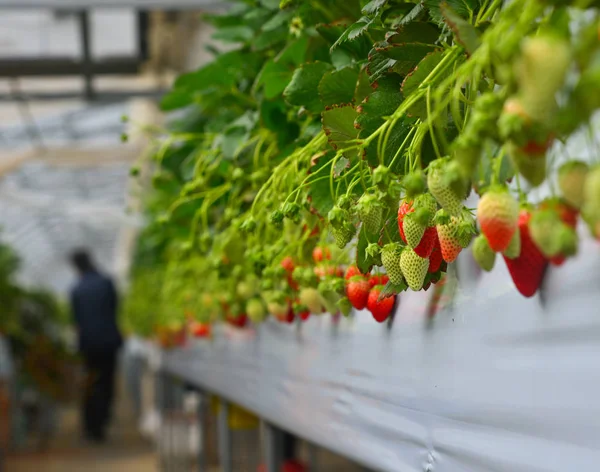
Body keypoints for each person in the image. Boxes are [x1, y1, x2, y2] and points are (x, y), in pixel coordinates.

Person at [69, 249, 122, 442]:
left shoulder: (77, 289)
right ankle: (102, 422)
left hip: (88, 344)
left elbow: (75, 320)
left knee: (90, 383)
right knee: (106, 382)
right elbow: (115, 308)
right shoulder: (106, 283)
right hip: (109, 341)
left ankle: (91, 426)